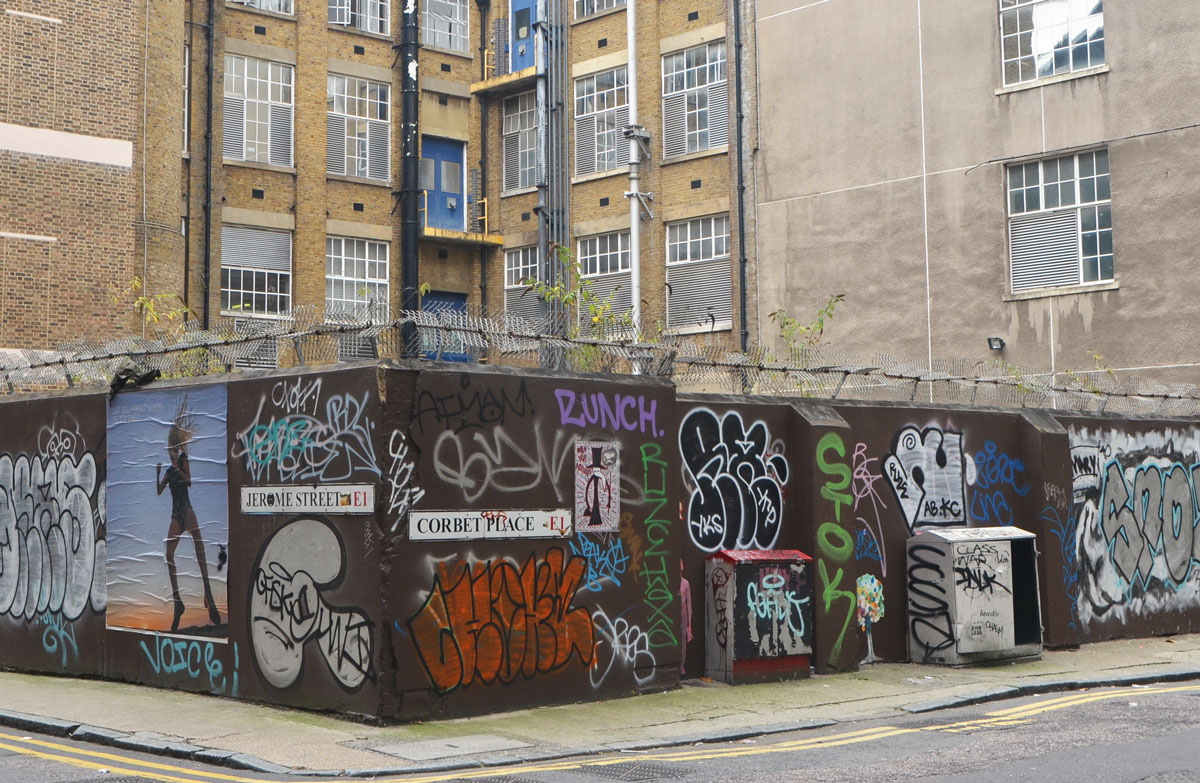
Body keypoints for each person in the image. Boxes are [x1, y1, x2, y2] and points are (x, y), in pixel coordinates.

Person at [156, 399, 221, 632]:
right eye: (169, 452)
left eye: (171, 451)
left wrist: (177, 468)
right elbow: (159, 491)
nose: (170, 454)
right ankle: (177, 601)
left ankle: (208, 592)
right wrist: (158, 475)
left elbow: (189, 481)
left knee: (199, 544)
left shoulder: (183, 461)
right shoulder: (168, 469)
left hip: (186, 508)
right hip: (176, 513)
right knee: (169, 554)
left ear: (175, 450)